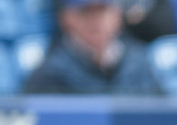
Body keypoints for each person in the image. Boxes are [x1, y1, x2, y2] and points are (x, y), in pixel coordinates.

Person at [23, 0, 164, 95]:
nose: (96, 22)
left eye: (102, 12)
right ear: (67, 18)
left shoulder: (139, 63)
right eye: (86, 13)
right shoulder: (50, 72)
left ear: (117, 17)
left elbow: (162, 119)